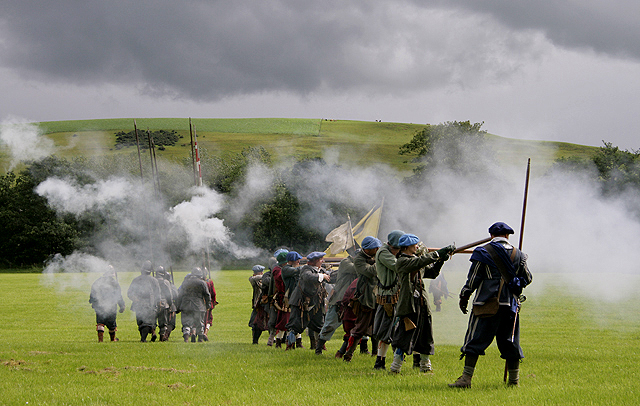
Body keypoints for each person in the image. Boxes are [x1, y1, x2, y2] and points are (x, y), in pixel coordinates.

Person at [449, 222, 532, 388]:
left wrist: (464, 295)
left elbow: (473, 278)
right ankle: (513, 381)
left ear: (492, 235)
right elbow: (528, 278)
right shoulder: (519, 255)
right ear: (507, 236)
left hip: (485, 303)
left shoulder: (483, 251)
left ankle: (466, 379)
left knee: (474, 340)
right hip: (510, 305)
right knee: (510, 342)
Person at [389, 234, 455, 374]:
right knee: (404, 336)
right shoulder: (402, 261)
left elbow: (431, 273)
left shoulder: (415, 260)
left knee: (426, 335)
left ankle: (425, 365)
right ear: (406, 247)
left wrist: (441, 260)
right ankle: (395, 367)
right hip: (409, 304)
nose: (417, 246)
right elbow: (419, 263)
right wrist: (437, 254)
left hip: (421, 302)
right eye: (414, 245)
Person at [342, 236, 382, 362]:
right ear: (368, 249)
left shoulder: (373, 257)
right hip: (366, 298)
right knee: (360, 328)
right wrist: (380, 262)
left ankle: (375, 353)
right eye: (375, 248)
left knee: (377, 326)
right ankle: (348, 355)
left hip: (378, 296)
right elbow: (371, 271)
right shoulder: (359, 259)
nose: (377, 249)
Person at [285, 251, 330, 350]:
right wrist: (322, 276)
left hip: (315, 303)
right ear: (315, 261)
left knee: (319, 325)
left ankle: (319, 346)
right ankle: (290, 345)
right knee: (294, 326)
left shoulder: (320, 270)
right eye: (320, 259)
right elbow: (308, 277)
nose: (322, 261)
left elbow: (330, 277)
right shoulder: (306, 269)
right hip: (300, 302)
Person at [372, 230, 404, 369]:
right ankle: (380, 361)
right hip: (388, 297)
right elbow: (398, 266)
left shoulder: (391, 252)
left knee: (397, 329)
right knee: (385, 330)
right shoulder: (384, 253)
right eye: (398, 249)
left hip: (395, 295)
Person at [315, 252, 357, 355]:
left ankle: (360, 349)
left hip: (354, 300)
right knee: (330, 324)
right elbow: (355, 268)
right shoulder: (346, 262)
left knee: (356, 326)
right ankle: (319, 348)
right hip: (339, 300)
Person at [127, 261, 162, 342]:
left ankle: (143, 339)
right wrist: (159, 305)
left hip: (139, 305)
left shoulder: (136, 280)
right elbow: (158, 294)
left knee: (142, 322)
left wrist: (136, 300)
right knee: (149, 322)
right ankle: (150, 334)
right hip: (151, 304)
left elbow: (129, 293)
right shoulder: (154, 280)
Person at [89, 265, 125, 342]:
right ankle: (112, 339)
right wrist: (122, 305)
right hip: (112, 306)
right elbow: (118, 295)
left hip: (99, 305)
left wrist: (93, 302)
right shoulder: (114, 283)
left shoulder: (98, 281)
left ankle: (100, 340)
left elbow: (93, 293)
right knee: (112, 324)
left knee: (100, 323)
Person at [176, 267, 212, 343]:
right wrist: (208, 305)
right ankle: (200, 339)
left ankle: (186, 339)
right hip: (199, 306)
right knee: (199, 324)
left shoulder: (185, 282)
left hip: (186, 305)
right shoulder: (202, 283)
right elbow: (207, 295)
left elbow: (180, 295)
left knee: (186, 324)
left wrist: (177, 306)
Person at [271, 249, 289, 348]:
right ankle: (278, 342)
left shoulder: (281, 268)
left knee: (292, 320)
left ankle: (297, 341)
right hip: (283, 297)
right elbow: (282, 278)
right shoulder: (277, 270)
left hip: (288, 296)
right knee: (283, 321)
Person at [155, 266, 178, 341]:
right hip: (167, 305)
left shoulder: (154, 281)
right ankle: (164, 336)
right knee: (169, 323)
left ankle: (162, 335)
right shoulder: (169, 284)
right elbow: (175, 296)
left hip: (158, 304)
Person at [249, 265, 268, 344]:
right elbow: (253, 278)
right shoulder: (254, 279)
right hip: (258, 304)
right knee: (255, 323)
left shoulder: (263, 279)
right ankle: (255, 340)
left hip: (263, 303)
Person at [203, 269, 218, 341]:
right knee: (208, 319)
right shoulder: (209, 281)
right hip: (208, 303)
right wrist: (214, 301)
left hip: (199, 303)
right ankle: (205, 333)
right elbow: (213, 293)